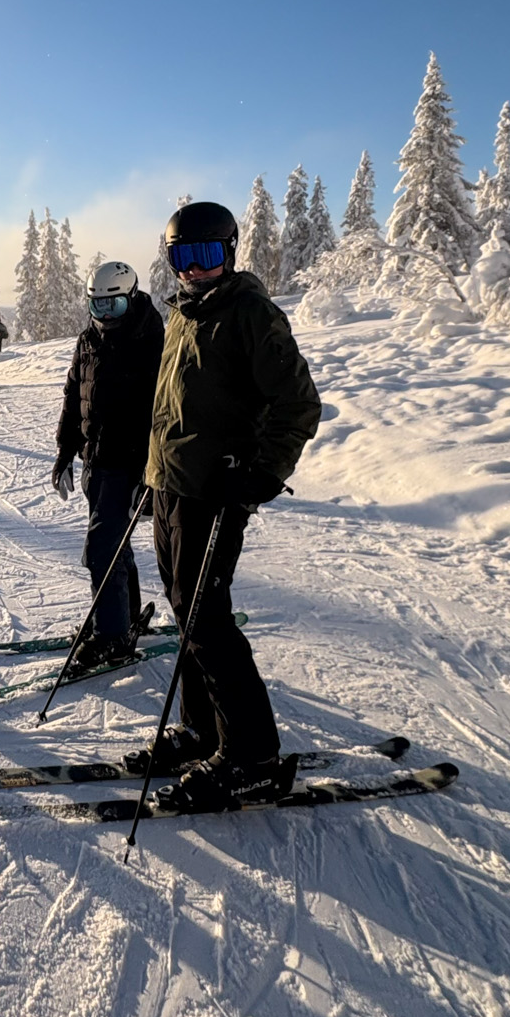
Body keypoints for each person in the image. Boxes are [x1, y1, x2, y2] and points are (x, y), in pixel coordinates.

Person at [145, 200, 320, 812]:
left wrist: (262, 475)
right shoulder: (183, 315)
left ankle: (251, 754)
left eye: (206, 256)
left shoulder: (249, 313)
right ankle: (202, 730)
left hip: (216, 492)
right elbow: (172, 410)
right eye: (182, 257)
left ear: (230, 252)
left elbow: (299, 404)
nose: (194, 270)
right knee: (182, 611)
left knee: (206, 618)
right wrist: (154, 476)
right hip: (173, 488)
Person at [51, 262, 165, 674]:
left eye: (113, 306)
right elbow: (73, 397)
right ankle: (124, 615)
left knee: (102, 550)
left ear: (131, 298)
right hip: (95, 464)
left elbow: (163, 414)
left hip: (128, 465)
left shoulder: (150, 341)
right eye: (96, 306)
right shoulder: (88, 340)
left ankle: (112, 638)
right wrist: (66, 451)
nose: (103, 317)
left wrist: (150, 476)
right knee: (116, 547)